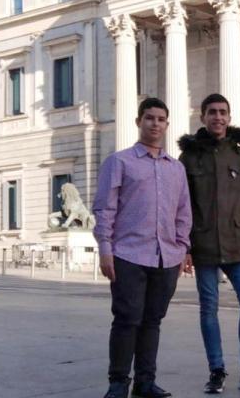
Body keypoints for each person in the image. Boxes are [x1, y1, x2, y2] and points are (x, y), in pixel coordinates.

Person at [92, 98, 193, 398]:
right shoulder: (119, 162)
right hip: (128, 254)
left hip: (166, 257)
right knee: (127, 318)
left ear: (167, 124)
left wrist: (183, 247)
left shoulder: (176, 169)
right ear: (139, 122)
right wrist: (105, 249)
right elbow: (105, 209)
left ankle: (145, 382)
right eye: (149, 118)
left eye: (161, 119)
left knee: (153, 320)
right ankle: (118, 382)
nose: (155, 124)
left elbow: (183, 212)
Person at [177, 93, 240, 394]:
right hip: (204, 244)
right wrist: (185, 247)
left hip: (238, 244)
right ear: (202, 118)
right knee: (208, 308)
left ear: (229, 117)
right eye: (212, 113)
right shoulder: (189, 158)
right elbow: (181, 205)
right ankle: (216, 369)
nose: (218, 117)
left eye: (222, 112)